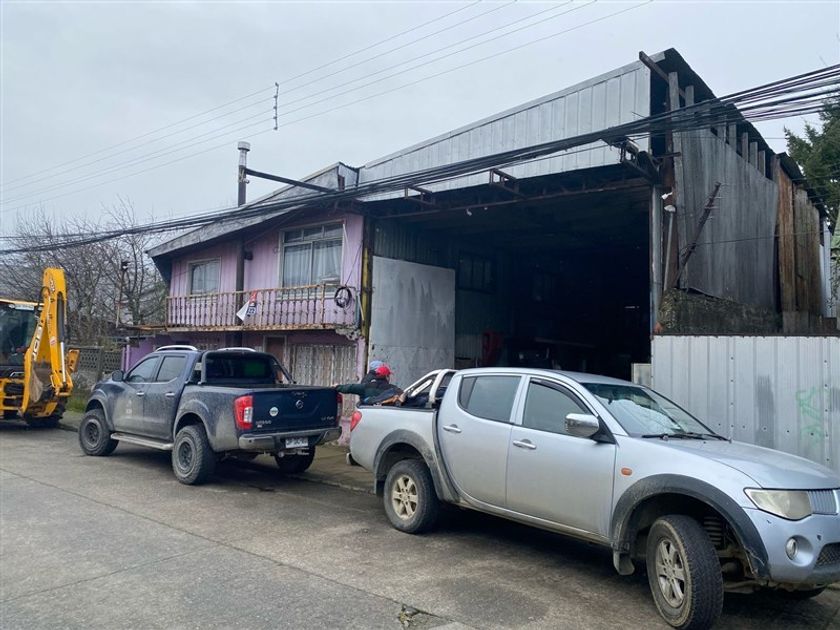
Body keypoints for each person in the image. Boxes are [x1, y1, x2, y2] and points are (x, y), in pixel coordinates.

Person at [334, 364, 402, 405]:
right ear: (387, 376)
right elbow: (402, 397)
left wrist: (337, 387)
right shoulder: (393, 389)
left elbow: (350, 388)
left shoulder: (366, 386)